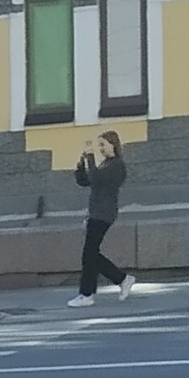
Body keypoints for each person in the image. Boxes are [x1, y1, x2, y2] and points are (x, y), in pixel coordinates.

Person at [68, 131, 134, 307]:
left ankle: (87, 294)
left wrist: (90, 156)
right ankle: (121, 279)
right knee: (91, 254)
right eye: (99, 146)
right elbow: (85, 181)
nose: (101, 149)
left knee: (89, 254)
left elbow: (96, 178)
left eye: (103, 145)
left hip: (104, 214)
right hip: (96, 213)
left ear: (113, 144)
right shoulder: (106, 164)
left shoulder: (117, 166)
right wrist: (82, 163)